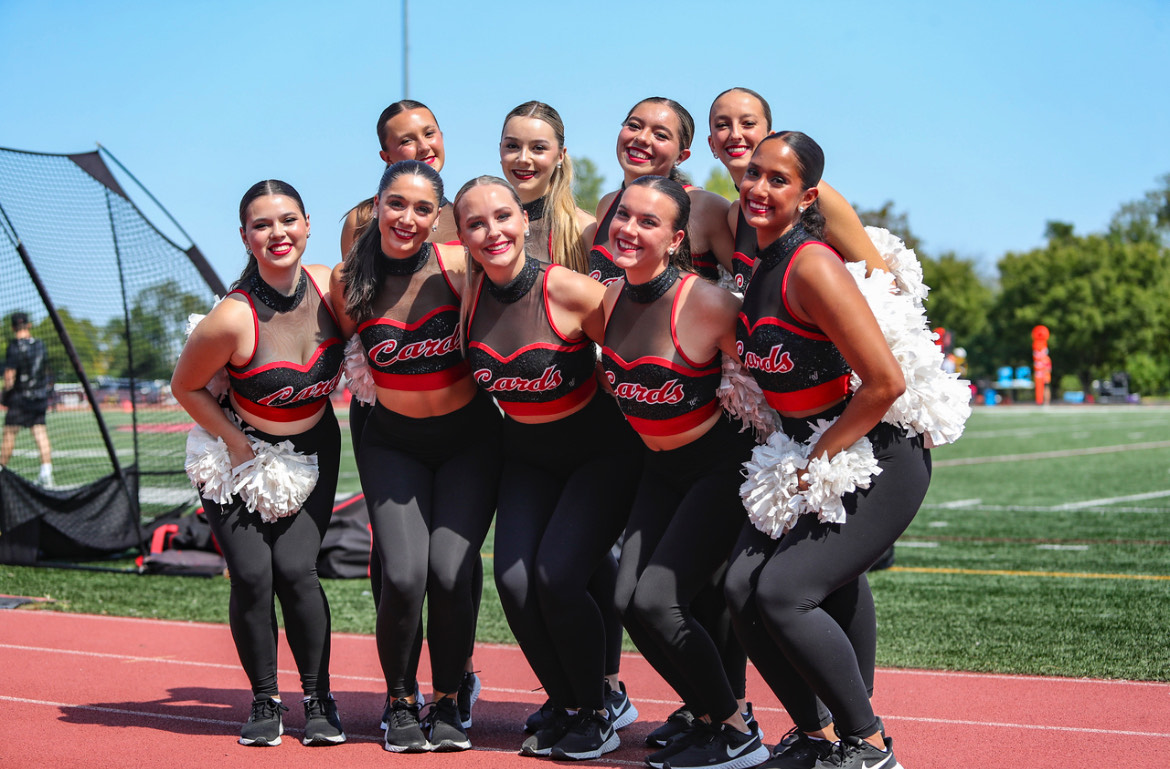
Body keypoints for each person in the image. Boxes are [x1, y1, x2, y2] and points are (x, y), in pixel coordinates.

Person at [727, 132, 930, 769]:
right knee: (736, 587)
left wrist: (817, 460)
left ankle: (868, 744)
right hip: (814, 456)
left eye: (778, 180)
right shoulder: (762, 262)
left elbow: (885, 384)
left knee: (783, 592)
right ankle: (817, 735)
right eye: (753, 174)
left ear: (808, 195)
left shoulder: (811, 263)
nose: (758, 188)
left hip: (876, 456)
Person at [454, 176, 641, 760]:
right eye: (476, 223)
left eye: (503, 217)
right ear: (461, 235)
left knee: (558, 579)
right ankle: (567, 701)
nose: (493, 232)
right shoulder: (469, 294)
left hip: (598, 453)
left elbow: (640, 356)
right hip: (526, 458)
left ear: (524, 221)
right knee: (513, 582)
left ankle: (597, 709)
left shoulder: (569, 288)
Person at [330, 159, 501, 754]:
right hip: (392, 442)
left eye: (423, 208)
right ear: (376, 204)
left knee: (452, 572)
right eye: (396, 204)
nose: (408, 218)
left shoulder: (459, 265)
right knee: (402, 576)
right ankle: (401, 700)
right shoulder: (348, 281)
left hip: (469, 443)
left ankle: (451, 698)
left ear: (439, 218)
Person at [600, 175, 769, 769]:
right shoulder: (606, 301)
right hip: (658, 468)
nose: (630, 229)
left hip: (717, 467)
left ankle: (735, 729)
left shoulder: (709, 302)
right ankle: (705, 717)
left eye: (649, 222)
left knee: (658, 602)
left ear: (675, 240)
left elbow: (773, 376)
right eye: (625, 216)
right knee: (628, 600)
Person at [172, 180, 346, 747]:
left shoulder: (330, 286)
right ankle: (266, 698)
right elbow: (186, 386)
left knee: (296, 570)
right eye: (263, 225)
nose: (278, 234)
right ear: (245, 236)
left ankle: (319, 699)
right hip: (234, 456)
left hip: (313, 449)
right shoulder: (229, 317)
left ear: (308, 223)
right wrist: (237, 443)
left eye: (288, 220)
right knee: (252, 573)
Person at [497, 100, 637, 734]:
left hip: (596, 432)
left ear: (559, 156)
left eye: (537, 147)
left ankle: (601, 691)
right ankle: (573, 693)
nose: (523, 159)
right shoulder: (481, 231)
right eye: (511, 145)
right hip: (521, 439)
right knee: (519, 579)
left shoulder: (585, 232)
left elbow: (623, 333)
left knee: (568, 570)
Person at [706, 87, 886, 291]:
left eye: (748, 123)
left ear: (770, 136)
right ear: (712, 144)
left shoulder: (816, 193)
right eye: (722, 125)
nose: (735, 134)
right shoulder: (735, 216)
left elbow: (885, 284)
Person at [585, 97, 734, 286]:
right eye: (634, 125)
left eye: (661, 135)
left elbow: (752, 284)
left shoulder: (703, 207)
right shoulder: (607, 204)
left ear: (681, 156)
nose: (642, 138)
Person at [1, 312, 53, 486]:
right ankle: (46, 472)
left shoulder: (14, 346)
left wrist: (5, 393)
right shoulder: (40, 345)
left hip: (20, 397)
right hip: (38, 397)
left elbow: (9, 375)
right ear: (29, 325)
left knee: (9, 434)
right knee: (40, 433)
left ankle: (1, 469)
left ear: (13, 327)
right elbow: (45, 371)